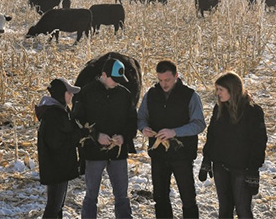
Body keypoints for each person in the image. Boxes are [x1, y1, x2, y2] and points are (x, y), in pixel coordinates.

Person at [137, 60, 206, 219]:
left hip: (182, 155)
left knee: (188, 198)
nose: (163, 84)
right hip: (158, 155)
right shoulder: (151, 94)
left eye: (167, 80)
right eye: (160, 80)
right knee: (160, 198)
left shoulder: (190, 95)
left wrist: (175, 132)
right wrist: (143, 128)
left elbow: (199, 124)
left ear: (176, 76)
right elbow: (141, 118)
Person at [72, 58, 138, 219]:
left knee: (122, 195)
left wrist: (124, 137)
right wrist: (96, 136)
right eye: (114, 79)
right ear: (103, 74)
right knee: (91, 195)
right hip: (94, 153)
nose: (116, 83)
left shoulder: (124, 94)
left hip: (118, 153)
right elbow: (77, 121)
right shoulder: (86, 93)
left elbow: (132, 121)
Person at [198, 71, 267, 218]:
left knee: (243, 210)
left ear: (232, 89)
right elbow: (212, 135)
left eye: (220, 90)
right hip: (220, 165)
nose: (217, 93)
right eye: (217, 89)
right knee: (224, 210)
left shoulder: (252, 111)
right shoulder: (220, 109)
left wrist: (254, 168)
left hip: (242, 168)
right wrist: (206, 158)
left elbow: (259, 142)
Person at [35, 77, 81, 218]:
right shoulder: (54, 115)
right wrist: (77, 135)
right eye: (69, 92)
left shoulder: (60, 110)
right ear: (61, 93)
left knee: (57, 206)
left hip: (59, 167)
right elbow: (56, 142)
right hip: (56, 168)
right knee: (53, 206)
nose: (72, 95)